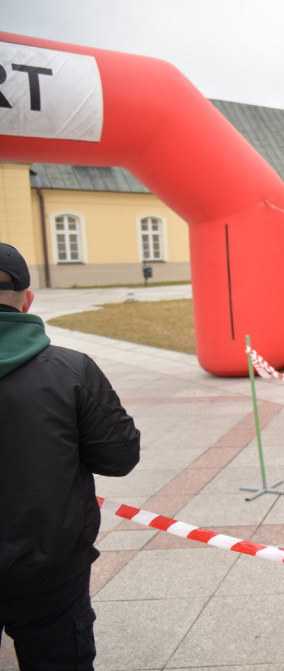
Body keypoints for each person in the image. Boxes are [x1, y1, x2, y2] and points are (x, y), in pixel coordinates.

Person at [0, 242, 141, 669]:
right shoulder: (70, 370)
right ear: (27, 299)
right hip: (47, 566)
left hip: (48, 564)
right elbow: (120, 456)